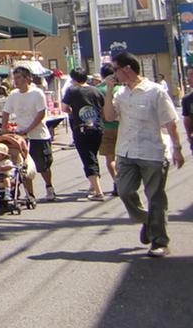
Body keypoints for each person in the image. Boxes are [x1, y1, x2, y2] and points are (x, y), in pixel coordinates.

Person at [104, 51, 184, 258]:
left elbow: (170, 122)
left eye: (116, 69)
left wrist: (177, 148)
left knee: (155, 197)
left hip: (152, 151)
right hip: (125, 150)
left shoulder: (155, 91)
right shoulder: (121, 93)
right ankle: (147, 219)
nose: (114, 74)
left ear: (127, 69)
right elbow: (110, 116)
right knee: (124, 190)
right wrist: (109, 90)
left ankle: (160, 241)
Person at [1, 65, 56, 201]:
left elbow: (41, 113)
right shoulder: (13, 95)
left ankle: (49, 187)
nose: (16, 81)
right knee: (23, 166)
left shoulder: (37, 93)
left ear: (27, 78)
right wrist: (4, 128)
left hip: (39, 135)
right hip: (21, 138)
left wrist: (29, 128)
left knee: (43, 165)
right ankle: (29, 194)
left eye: (19, 78)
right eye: (15, 78)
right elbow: (6, 112)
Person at [61, 67, 106, 200]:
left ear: (73, 79)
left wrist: (73, 111)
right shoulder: (96, 90)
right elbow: (102, 109)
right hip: (98, 128)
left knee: (88, 159)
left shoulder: (72, 90)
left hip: (81, 128)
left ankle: (98, 192)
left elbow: (64, 107)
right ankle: (93, 186)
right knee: (93, 156)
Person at [0, 132, 37, 199]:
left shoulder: (7, 161)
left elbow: (9, 167)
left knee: (6, 180)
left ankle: (8, 193)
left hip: (7, 175)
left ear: (3, 155)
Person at [97, 63, 120, 196]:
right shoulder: (121, 88)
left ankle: (116, 181)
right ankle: (124, 181)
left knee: (110, 158)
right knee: (122, 157)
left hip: (105, 126)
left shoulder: (98, 89)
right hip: (122, 126)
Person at [182, 65, 193, 153]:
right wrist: (189, 136)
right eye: (188, 75)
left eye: (192, 75)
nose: (188, 78)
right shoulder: (187, 99)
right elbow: (187, 119)